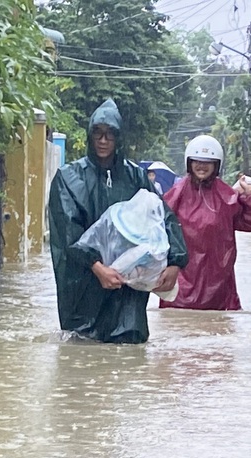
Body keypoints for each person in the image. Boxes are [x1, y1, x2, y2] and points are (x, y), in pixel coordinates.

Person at [48, 99, 188, 343]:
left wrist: (175, 262)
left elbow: (163, 217)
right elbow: (67, 231)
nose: (103, 141)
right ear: (90, 136)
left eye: (110, 135)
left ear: (119, 138)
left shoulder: (135, 176)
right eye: (98, 134)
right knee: (81, 349)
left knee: (129, 352)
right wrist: (97, 267)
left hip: (127, 286)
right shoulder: (68, 178)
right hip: (84, 285)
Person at [160, 135, 251, 311]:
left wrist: (249, 197)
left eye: (208, 162)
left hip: (218, 279)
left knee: (220, 330)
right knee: (178, 323)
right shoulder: (177, 193)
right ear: (189, 163)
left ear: (216, 165)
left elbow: (248, 223)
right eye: (197, 161)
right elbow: (158, 225)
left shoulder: (226, 195)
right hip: (183, 278)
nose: (201, 166)